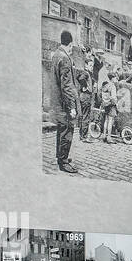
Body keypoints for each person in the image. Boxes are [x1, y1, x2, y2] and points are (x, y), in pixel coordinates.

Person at [50, 30, 80, 174]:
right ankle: (63, 161)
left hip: (57, 101)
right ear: (70, 44)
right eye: (72, 47)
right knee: (68, 130)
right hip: (65, 103)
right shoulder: (65, 58)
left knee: (61, 131)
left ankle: (60, 157)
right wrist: (72, 107)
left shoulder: (56, 55)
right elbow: (67, 86)